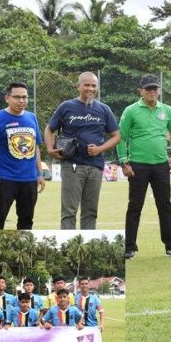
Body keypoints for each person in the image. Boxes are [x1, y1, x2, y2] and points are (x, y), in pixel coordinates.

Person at [45, 71, 120, 229]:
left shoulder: (104, 109)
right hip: (72, 165)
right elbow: (49, 129)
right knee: (69, 211)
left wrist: (100, 149)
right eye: (87, 85)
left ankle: (87, 250)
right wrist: (50, 149)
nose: (90, 88)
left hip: (95, 166)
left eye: (94, 85)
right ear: (78, 86)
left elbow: (116, 136)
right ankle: (68, 250)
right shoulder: (66, 107)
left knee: (90, 212)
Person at [116, 74, 171, 259]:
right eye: (148, 89)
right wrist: (124, 161)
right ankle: (129, 247)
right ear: (141, 91)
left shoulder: (166, 110)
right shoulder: (131, 110)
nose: (152, 91)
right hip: (137, 166)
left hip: (161, 166)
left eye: (155, 88)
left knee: (165, 206)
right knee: (135, 206)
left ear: (159, 90)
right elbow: (121, 136)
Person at [0, 82, 45, 229]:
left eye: (25, 97)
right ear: (7, 98)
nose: (21, 101)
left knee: (26, 221)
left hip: (29, 179)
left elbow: (35, 147)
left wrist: (40, 174)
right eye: (17, 97)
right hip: (4, 178)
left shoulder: (32, 117)